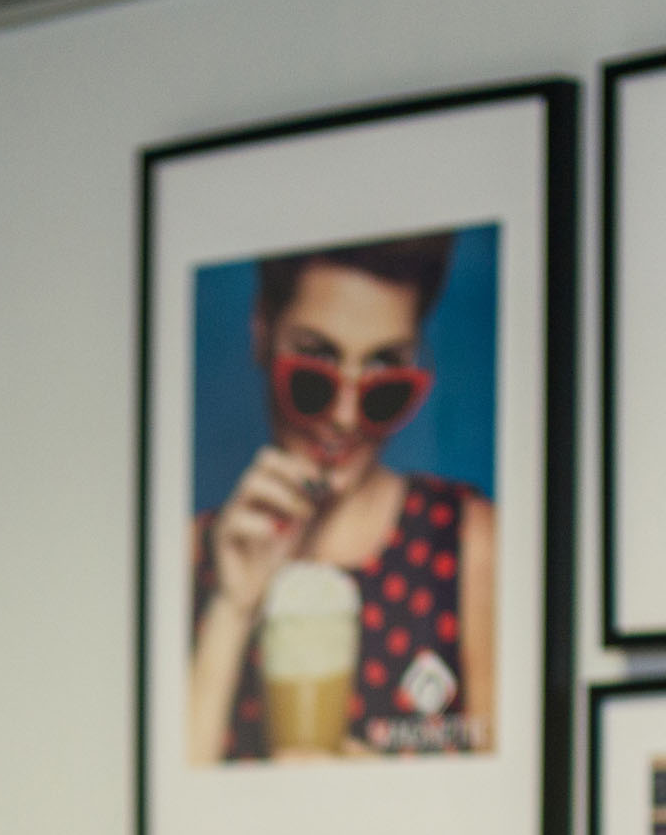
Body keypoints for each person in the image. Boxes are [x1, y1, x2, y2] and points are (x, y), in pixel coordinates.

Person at [184, 235, 499, 763]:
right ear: (262, 334)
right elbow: (158, 812)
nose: (346, 417)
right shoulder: (192, 554)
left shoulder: (468, 543)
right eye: (314, 369)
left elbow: (508, 812)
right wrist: (233, 607)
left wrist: (367, 804)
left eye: (384, 377)